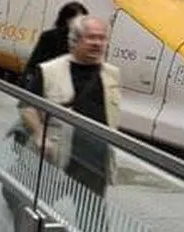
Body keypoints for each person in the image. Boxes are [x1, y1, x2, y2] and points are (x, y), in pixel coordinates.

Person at [18, 15, 120, 232]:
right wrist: (38, 134)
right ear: (75, 40)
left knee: (94, 219)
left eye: (102, 38)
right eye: (91, 37)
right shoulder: (49, 70)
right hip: (55, 158)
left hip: (95, 163)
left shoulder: (112, 74)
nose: (98, 43)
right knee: (35, 208)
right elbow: (26, 106)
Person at [21, 1, 88, 88]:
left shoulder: (84, 40)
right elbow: (34, 62)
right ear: (67, 19)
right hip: (47, 83)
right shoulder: (50, 37)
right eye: (78, 19)